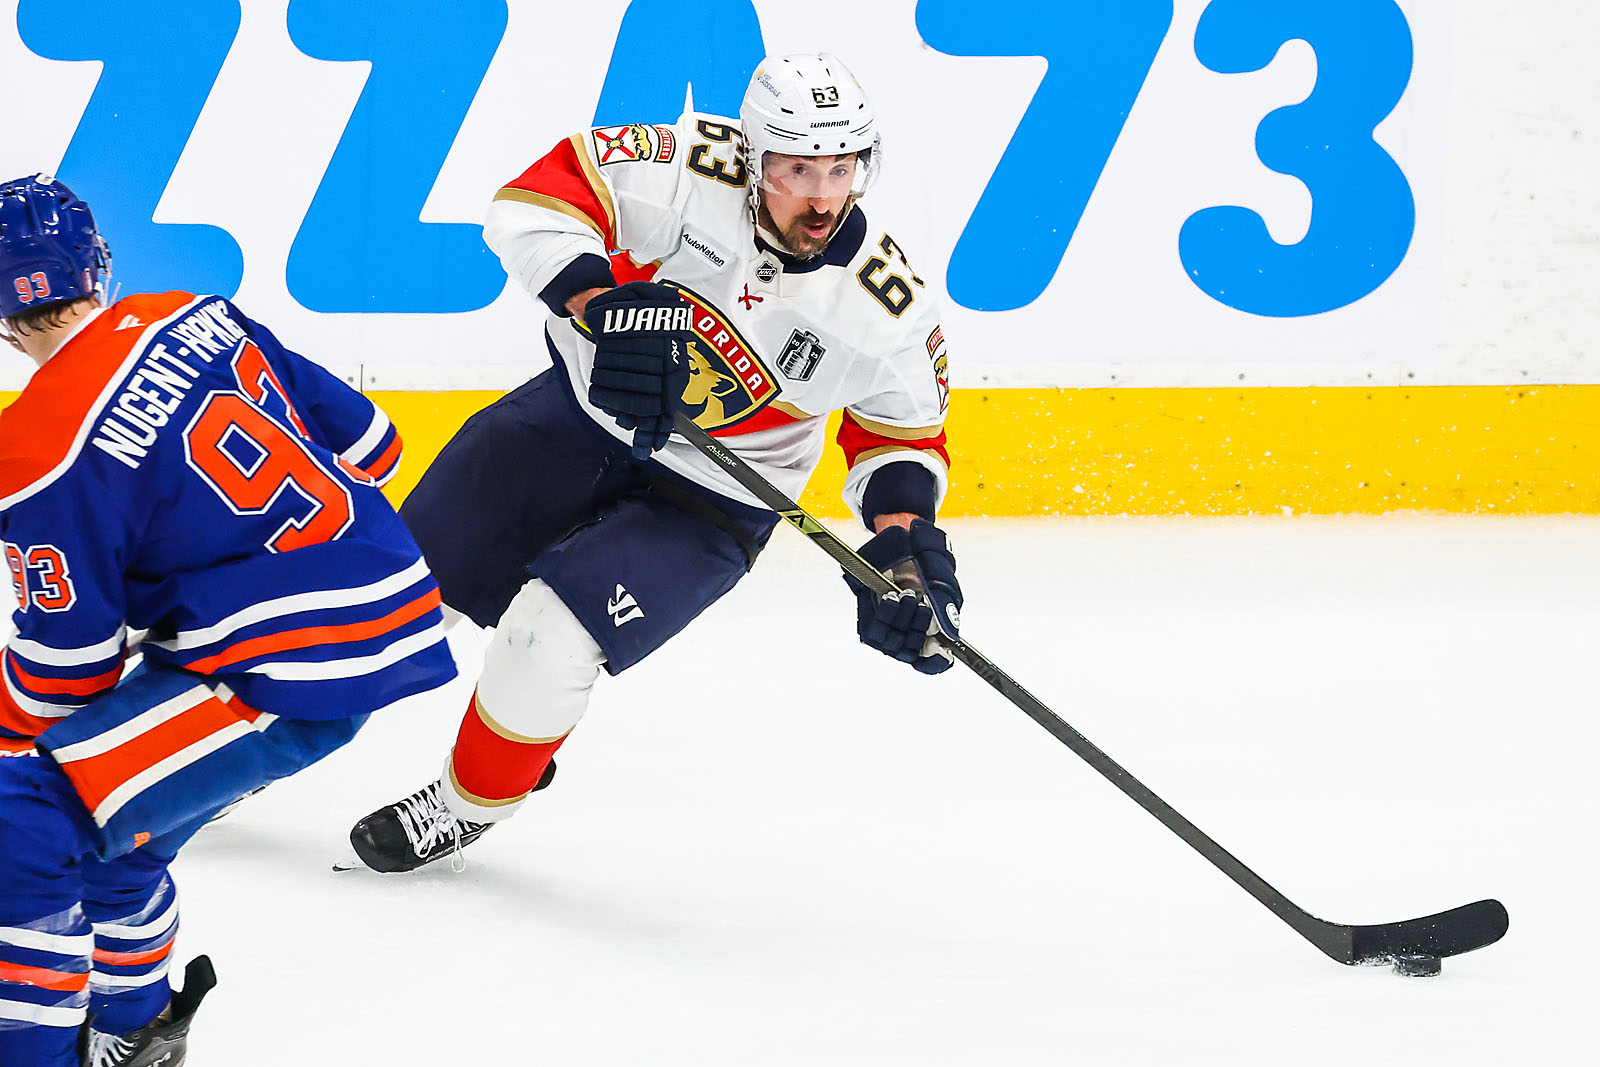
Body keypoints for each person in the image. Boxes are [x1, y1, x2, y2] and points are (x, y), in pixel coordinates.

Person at [347, 53, 961, 874]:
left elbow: (901, 438)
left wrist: (906, 553)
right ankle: (247, 738)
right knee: (389, 591)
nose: (822, 197)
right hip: (572, 419)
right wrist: (600, 305)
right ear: (755, 157)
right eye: (798, 169)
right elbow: (534, 200)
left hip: (711, 503)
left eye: (841, 168)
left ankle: (467, 805)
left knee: (544, 641)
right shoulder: (690, 168)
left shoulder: (887, 305)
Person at [0, 175, 456, 1066]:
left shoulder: (36, 447)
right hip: (378, 603)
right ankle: (135, 1032)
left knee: (24, 819)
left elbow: (68, 667)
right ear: (95, 265)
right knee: (117, 832)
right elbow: (376, 443)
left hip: (282, 666)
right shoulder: (197, 313)